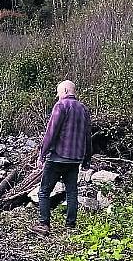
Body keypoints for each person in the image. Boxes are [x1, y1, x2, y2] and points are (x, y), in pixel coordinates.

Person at [31, 80, 92, 236]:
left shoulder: (61, 106)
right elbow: (87, 137)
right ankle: (70, 226)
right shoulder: (84, 109)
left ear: (65, 90)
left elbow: (51, 133)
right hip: (75, 159)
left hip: (57, 157)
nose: (57, 96)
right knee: (71, 191)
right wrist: (86, 160)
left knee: (44, 191)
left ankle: (44, 225)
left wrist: (42, 154)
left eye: (58, 92)